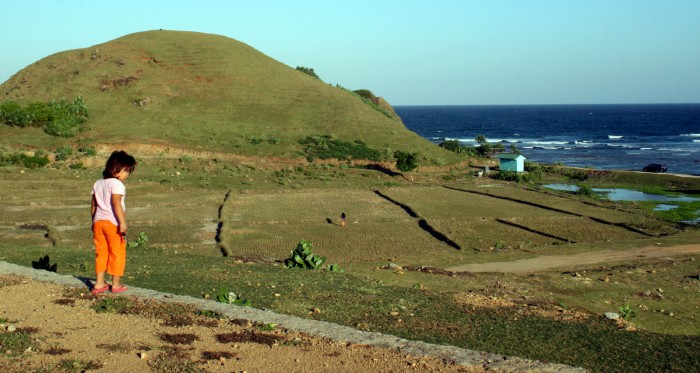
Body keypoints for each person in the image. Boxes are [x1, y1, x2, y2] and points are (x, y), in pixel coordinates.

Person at [90, 150, 137, 294]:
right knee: (117, 253)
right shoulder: (117, 184)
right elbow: (116, 203)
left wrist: (93, 222)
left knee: (101, 252)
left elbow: (93, 205)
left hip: (98, 222)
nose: (127, 174)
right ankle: (115, 285)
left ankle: (99, 284)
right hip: (113, 223)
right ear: (115, 168)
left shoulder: (98, 183)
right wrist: (122, 222)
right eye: (126, 170)